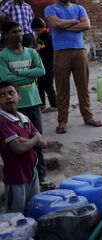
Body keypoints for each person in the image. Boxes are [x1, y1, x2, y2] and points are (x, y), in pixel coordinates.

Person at [0, 21, 55, 191]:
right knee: (15, 144)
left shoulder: (31, 52)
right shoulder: (3, 56)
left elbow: (41, 71)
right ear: (6, 35)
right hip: (13, 107)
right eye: (14, 32)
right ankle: (22, 178)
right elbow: (5, 79)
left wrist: (20, 73)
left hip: (33, 101)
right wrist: (29, 76)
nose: (19, 34)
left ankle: (41, 175)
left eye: (20, 31)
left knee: (37, 140)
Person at [45, 0, 102, 134]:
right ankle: (62, 121)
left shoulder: (79, 8)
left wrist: (66, 25)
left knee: (83, 86)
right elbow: (56, 24)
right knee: (62, 88)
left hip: (79, 51)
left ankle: (88, 117)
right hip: (61, 52)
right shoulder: (50, 9)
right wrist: (74, 22)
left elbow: (86, 25)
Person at [0, 81, 47, 213]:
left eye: (11, 93)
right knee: (15, 216)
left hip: (32, 174)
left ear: (19, 96)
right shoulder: (2, 122)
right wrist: (35, 139)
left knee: (34, 209)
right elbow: (19, 149)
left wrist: (29, 141)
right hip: (16, 178)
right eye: (2, 95)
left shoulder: (24, 118)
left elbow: (43, 143)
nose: (8, 97)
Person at [31, 18, 57, 113]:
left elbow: (51, 51)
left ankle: (54, 105)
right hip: (41, 64)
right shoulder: (39, 37)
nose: (36, 32)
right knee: (40, 85)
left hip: (49, 64)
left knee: (48, 85)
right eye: (35, 30)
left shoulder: (48, 37)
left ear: (44, 27)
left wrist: (38, 49)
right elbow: (40, 47)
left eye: (38, 30)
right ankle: (42, 104)